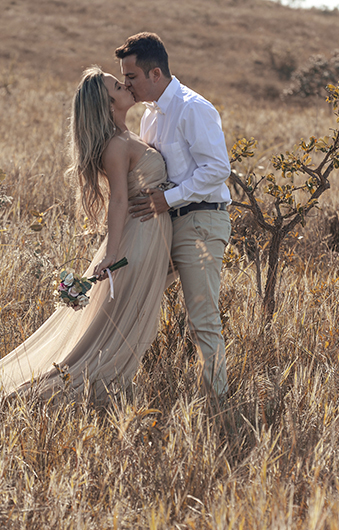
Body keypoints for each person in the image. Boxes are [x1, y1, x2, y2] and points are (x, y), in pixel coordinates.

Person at [0, 67, 173, 407]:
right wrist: (113, 252)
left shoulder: (129, 137)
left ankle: (104, 385)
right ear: (108, 104)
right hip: (140, 237)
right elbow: (118, 201)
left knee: (127, 320)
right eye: (119, 86)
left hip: (150, 231)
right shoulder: (117, 147)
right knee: (122, 322)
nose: (128, 88)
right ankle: (66, 390)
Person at [115, 32, 232, 400]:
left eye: (131, 77)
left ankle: (217, 403)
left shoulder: (192, 107)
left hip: (200, 221)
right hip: (163, 225)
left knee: (202, 318)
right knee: (130, 300)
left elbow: (217, 168)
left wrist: (170, 198)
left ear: (154, 73)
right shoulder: (150, 117)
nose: (126, 84)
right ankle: (116, 383)